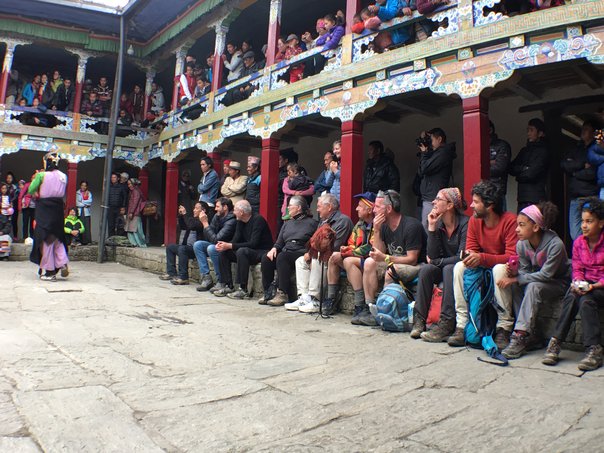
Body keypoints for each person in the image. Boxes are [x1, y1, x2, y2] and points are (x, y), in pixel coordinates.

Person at [494, 202, 570, 359]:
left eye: (521, 225)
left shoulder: (555, 244)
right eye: (517, 225)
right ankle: (532, 334)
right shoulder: (522, 244)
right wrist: (514, 272)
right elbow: (525, 271)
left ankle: (520, 335)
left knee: (532, 286)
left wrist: (518, 278)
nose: (517, 229)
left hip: (559, 283)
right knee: (515, 285)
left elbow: (546, 275)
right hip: (537, 281)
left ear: (535, 227)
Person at [448, 180, 518, 348]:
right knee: (459, 267)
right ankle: (462, 324)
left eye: (476, 202)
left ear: (490, 205)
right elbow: (472, 249)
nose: (472, 205)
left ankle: (504, 327)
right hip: (482, 269)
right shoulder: (474, 221)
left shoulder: (510, 221)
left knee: (500, 269)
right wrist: (471, 257)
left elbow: (511, 257)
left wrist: (482, 258)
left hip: (505, 271)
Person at [543, 197, 604, 371]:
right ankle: (556, 342)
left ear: (601, 223)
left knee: (586, 300)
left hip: (601, 286)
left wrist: (594, 286)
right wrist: (577, 282)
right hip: (587, 286)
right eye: (583, 221)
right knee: (573, 295)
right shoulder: (578, 243)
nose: (584, 225)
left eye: (589, 221)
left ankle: (594, 349)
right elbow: (577, 268)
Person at [353, 190, 426, 326]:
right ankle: (369, 308)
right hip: (394, 262)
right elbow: (377, 254)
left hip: (417, 265)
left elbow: (412, 259)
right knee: (369, 262)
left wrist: (386, 258)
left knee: (391, 271)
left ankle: (385, 310)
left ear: (389, 209)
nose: (374, 210)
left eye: (377, 207)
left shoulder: (411, 225)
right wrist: (377, 230)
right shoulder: (384, 226)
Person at [415, 188, 469, 341]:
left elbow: (461, 257)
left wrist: (438, 262)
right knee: (426, 269)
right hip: (444, 267)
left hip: (461, 270)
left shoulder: (466, 223)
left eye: (438, 199)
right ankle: (419, 320)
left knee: (449, 269)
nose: (434, 202)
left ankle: (446, 323)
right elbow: (432, 256)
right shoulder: (438, 224)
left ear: (450, 205)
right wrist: (432, 228)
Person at [292, 194, 354, 314]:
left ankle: (316, 299)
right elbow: (314, 241)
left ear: (329, 207)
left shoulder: (343, 221)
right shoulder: (323, 221)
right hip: (325, 256)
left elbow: (334, 246)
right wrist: (310, 253)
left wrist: (313, 253)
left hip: (336, 260)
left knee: (317, 258)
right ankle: (304, 298)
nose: (317, 209)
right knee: (300, 261)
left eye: (319, 206)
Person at [320, 192, 375, 316]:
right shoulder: (359, 225)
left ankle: (360, 304)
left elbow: (370, 248)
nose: (356, 209)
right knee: (333, 257)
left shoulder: (378, 225)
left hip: (373, 261)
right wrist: (346, 249)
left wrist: (347, 253)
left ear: (369, 209)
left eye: (360, 206)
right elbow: (351, 243)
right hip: (360, 259)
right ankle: (331, 298)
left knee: (348, 261)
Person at [260, 196, 318, 306]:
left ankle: (282, 293)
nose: (288, 208)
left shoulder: (312, 223)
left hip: (300, 251)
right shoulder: (287, 223)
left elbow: (315, 242)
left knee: (283, 256)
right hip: (287, 250)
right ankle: (268, 291)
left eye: (290, 205)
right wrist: (274, 248)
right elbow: (279, 242)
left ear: (299, 208)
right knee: (266, 258)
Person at [214, 200, 273, 298]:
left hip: (261, 251)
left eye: (235, 210)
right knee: (224, 252)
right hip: (247, 250)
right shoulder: (240, 220)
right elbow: (236, 239)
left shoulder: (258, 220)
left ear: (241, 212)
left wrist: (230, 246)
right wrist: (224, 245)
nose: (233, 212)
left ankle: (243, 289)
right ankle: (228, 285)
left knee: (242, 251)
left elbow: (254, 243)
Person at [28, 153, 69, 281]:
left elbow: (31, 189)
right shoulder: (64, 176)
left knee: (45, 239)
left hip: (45, 209)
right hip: (58, 209)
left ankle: (50, 272)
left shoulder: (42, 175)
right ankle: (62, 262)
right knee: (57, 237)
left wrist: (36, 179)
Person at [561, 121, 599, 241]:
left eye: (586, 129)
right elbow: (564, 164)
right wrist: (582, 164)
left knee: (592, 232)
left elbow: (592, 173)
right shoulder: (576, 148)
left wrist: (574, 172)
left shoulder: (596, 150)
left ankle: (590, 253)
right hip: (575, 198)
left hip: (590, 197)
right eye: (583, 128)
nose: (583, 131)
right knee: (575, 233)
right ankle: (581, 252)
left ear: (593, 133)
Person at [417, 128, 457, 229]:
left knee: (430, 228)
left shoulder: (443, 153)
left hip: (433, 198)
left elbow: (425, 168)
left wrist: (424, 153)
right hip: (429, 196)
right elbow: (421, 172)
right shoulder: (435, 153)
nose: (430, 142)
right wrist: (426, 152)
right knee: (427, 227)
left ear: (439, 139)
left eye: (431, 139)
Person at [195, 197, 237, 292]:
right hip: (217, 244)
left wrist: (205, 223)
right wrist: (206, 225)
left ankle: (221, 281)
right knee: (198, 245)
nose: (215, 209)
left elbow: (216, 239)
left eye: (218, 207)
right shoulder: (217, 216)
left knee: (211, 248)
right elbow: (208, 237)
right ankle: (206, 278)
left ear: (225, 207)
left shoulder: (231, 220)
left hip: (227, 248)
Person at [159, 202, 205, 285]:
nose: (194, 210)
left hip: (196, 249)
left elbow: (191, 226)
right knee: (170, 247)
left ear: (203, 210)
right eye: (194, 208)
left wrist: (185, 214)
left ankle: (183, 277)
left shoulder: (203, 221)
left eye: (197, 208)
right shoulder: (192, 219)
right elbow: (184, 226)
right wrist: (180, 216)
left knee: (182, 248)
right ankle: (171, 273)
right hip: (186, 248)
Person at [509, 118, 549, 212]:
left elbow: (531, 174)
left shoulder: (544, 151)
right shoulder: (524, 151)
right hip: (522, 197)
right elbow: (510, 168)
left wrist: (519, 174)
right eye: (528, 130)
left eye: (531, 130)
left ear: (540, 133)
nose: (528, 133)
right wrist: (524, 168)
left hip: (536, 198)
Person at [489, 121, 512, 210]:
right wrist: (490, 162)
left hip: (497, 190)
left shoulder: (502, 145)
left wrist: (484, 164)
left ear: (490, 130)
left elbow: (499, 167)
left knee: (501, 217)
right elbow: (474, 167)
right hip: (481, 190)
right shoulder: (478, 145)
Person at [125, 178, 146, 248]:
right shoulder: (133, 191)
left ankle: (139, 243)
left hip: (135, 213)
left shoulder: (136, 192)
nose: (129, 186)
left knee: (135, 229)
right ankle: (134, 243)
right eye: (128, 184)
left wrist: (131, 212)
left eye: (130, 184)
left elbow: (135, 203)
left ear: (133, 184)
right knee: (131, 229)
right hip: (132, 212)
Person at [76, 181, 92, 245]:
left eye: (85, 186)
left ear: (87, 187)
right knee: (80, 226)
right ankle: (80, 241)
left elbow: (90, 202)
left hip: (86, 212)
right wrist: (85, 204)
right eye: (82, 185)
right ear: (80, 186)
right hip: (80, 212)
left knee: (87, 226)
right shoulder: (77, 193)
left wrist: (81, 201)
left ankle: (87, 241)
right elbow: (77, 203)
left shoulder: (89, 193)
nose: (83, 187)